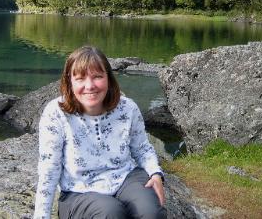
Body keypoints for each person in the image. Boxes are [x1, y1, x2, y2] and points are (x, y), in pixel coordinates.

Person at [34, 46, 167, 219]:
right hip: (78, 191)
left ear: (108, 79)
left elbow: (142, 148)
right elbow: (49, 169)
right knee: (111, 213)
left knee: (151, 212)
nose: (90, 86)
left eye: (97, 76)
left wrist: (155, 173)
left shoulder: (128, 108)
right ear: (69, 81)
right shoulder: (56, 113)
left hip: (126, 178)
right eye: (80, 78)